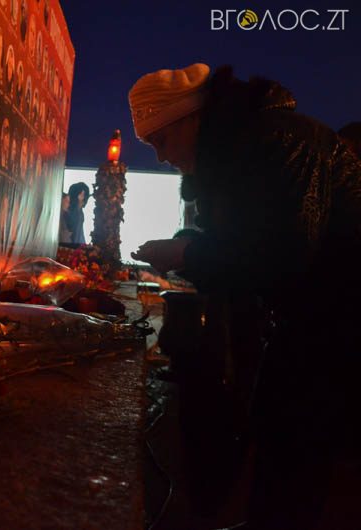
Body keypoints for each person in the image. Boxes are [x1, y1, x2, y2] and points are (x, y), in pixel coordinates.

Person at [129, 63, 361, 529]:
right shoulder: (237, 156)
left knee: (299, 449)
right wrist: (189, 248)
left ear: (191, 119)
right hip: (306, 324)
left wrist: (189, 252)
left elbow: (284, 253)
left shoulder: (282, 142)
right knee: (278, 437)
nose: (161, 157)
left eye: (162, 141)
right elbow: (242, 244)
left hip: (340, 326)